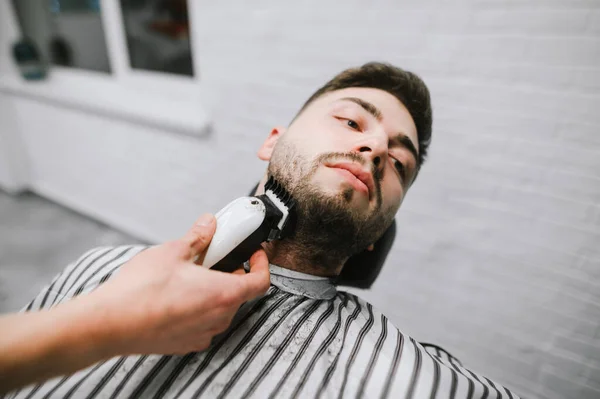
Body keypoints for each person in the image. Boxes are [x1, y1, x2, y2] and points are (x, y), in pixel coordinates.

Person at [4, 62, 520, 398]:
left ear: (377, 232)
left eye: (400, 163)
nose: (378, 150)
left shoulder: (410, 378)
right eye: (352, 122)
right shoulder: (100, 270)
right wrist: (106, 321)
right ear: (273, 141)